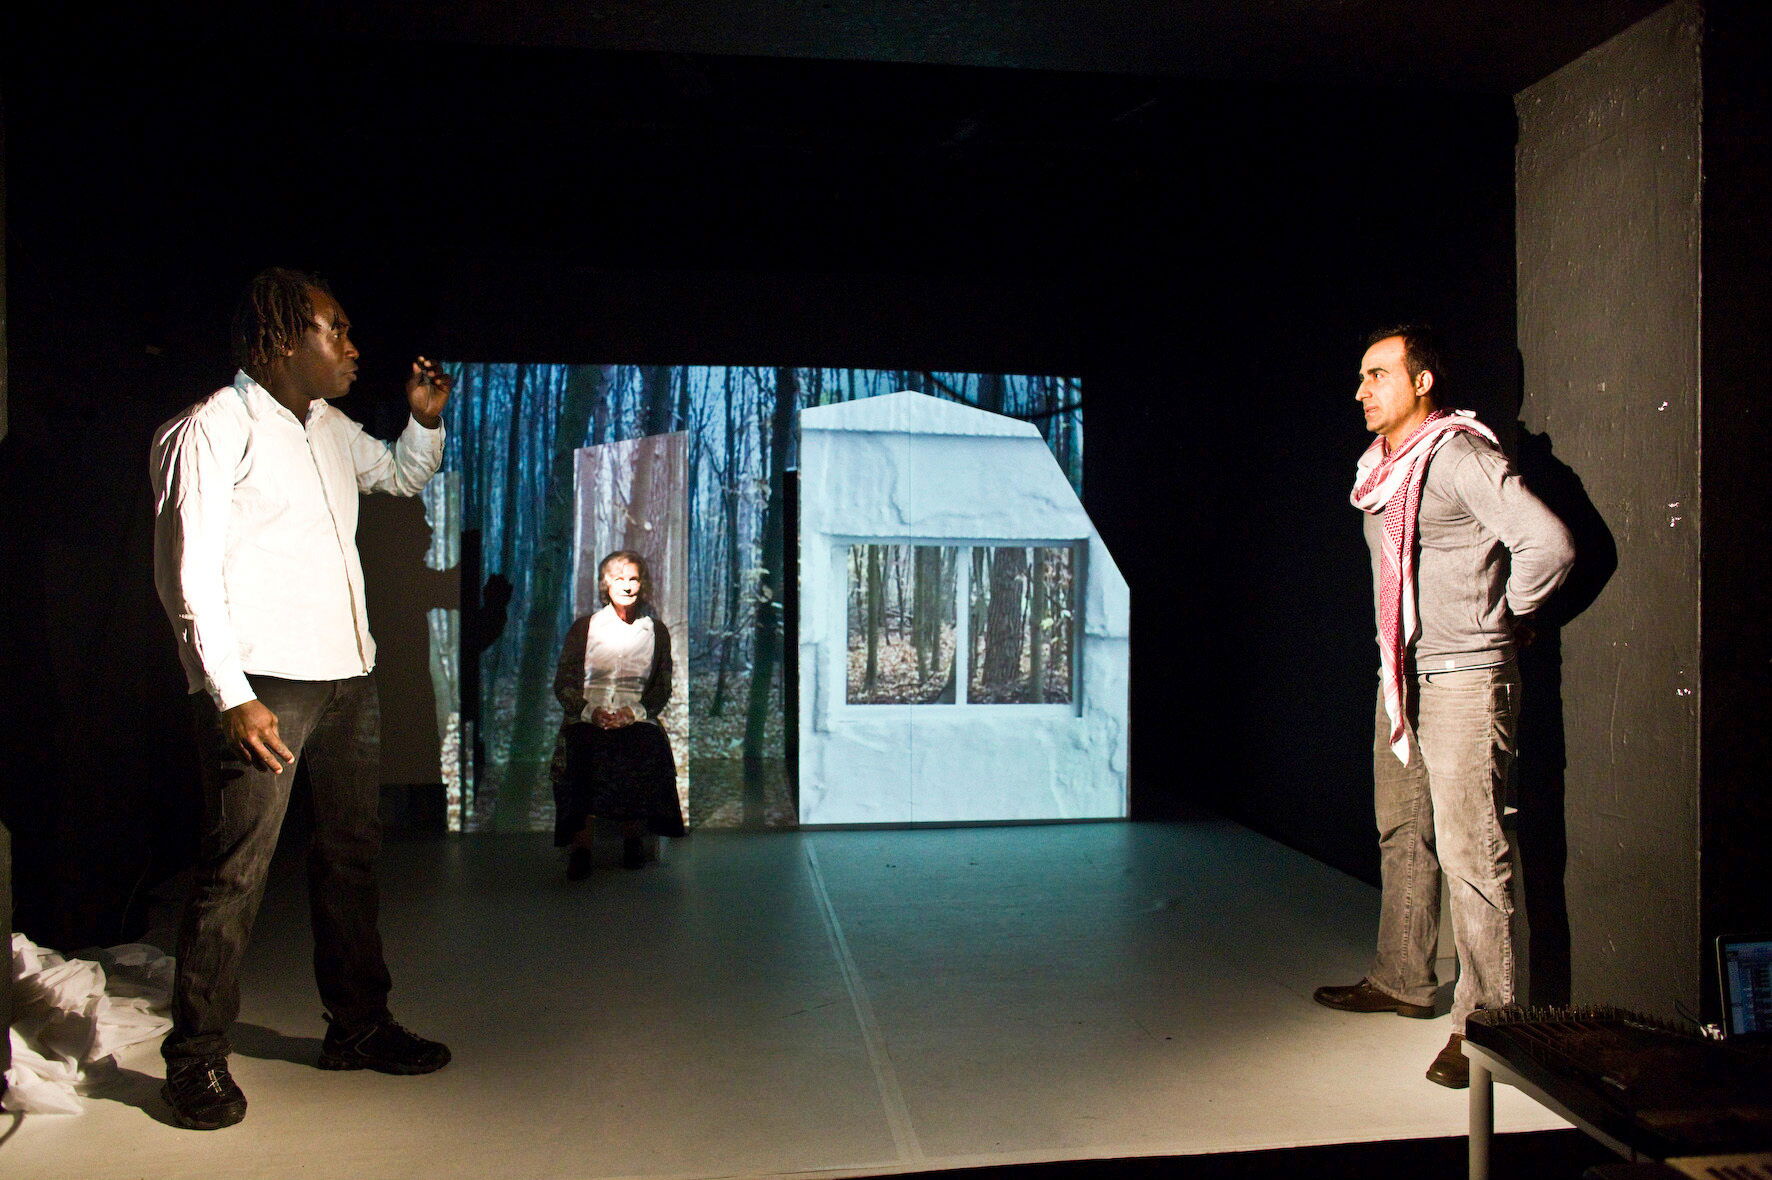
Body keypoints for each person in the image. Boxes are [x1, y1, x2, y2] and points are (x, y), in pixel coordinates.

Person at [149, 267, 455, 1130]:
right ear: (284, 339)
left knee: (351, 856)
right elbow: (187, 575)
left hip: (346, 673)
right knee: (236, 871)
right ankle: (195, 1061)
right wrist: (230, 694)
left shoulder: (328, 425)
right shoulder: (215, 426)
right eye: (337, 330)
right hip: (264, 685)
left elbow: (396, 476)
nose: (354, 347)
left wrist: (425, 421)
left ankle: (358, 1026)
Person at [1314, 326, 1574, 1088]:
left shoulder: (1459, 456)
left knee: (1472, 854)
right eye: (1361, 377)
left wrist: (1507, 615)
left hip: (1464, 678)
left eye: (1378, 375)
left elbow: (1549, 544)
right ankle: (1403, 976)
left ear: (1422, 382)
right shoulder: (1381, 469)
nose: (1362, 391)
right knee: (1403, 830)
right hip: (1403, 676)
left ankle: (1485, 1025)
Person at [551, 550, 685, 878]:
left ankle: (633, 841)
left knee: (643, 746)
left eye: (633, 579)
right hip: (588, 718)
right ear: (605, 584)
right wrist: (589, 712)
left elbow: (662, 687)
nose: (627, 586)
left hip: (634, 718)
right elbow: (564, 682)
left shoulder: (656, 631)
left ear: (643, 584)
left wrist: (633, 713)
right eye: (619, 579)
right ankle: (581, 849)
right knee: (580, 752)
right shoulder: (584, 628)